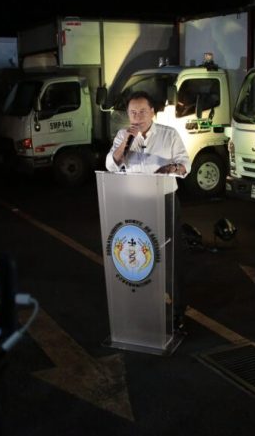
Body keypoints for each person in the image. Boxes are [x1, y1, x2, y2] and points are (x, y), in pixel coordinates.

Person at [106, 90, 191, 331]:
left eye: (143, 111)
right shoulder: (124, 135)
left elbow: (186, 164)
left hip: (164, 198)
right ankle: (140, 306)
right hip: (134, 202)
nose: (138, 116)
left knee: (171, 256)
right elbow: (111, 165)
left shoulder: (169, 134)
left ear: (152, 112)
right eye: (133, 112)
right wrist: (125, 143)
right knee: (138, 254)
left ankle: (176, 311)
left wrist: (171, 168)